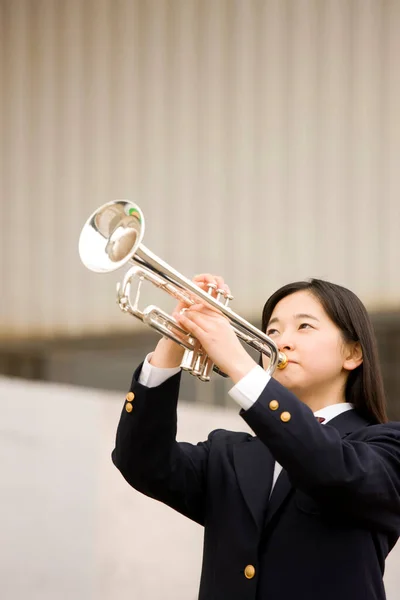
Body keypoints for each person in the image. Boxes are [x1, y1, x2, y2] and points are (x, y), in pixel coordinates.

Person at [112, 275, 400, 600]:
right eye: (273, 331)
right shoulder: (229, 454)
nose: (280, 343)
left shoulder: (387, 448)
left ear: (353, 353)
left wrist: (238, 363)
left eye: (304, 327)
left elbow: (329, 468)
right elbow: (141, 463)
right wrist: (174, 339)